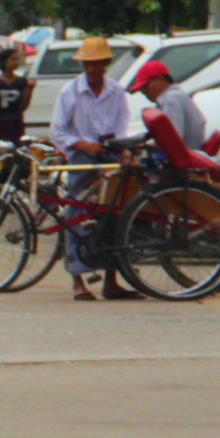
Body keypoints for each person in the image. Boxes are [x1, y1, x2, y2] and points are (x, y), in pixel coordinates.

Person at [48, 35, 137, 300]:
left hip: (109, 157)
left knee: (113, 215)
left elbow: (122, 125)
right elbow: (58, 131)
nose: (92, 69)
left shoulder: (116, 91)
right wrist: (83, 145)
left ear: (106, 64)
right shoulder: (70, 92)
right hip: (82, 159)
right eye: (88, 64)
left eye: (97, 64)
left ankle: (111, 280)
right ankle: (77, 281)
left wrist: (121, 149)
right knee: (76, 215)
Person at [130, 59, 211, 152]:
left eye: (145, 87)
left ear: (160, 79)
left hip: (188, 158)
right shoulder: (176, 95)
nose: (143, 92)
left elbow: (173, 139)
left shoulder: (171, 98)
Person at [0, 46, 33, 151]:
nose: (15, 62)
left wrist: (30, 91)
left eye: (17, 59)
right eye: (12, 59)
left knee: (17, 152)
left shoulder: (21, 81)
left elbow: (23, 106)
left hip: (16, 123)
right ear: (4, 62)